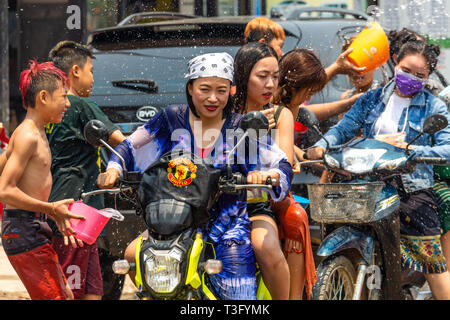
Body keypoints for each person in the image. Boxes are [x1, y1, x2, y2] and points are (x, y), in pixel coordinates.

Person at [97, 52, 293, 300]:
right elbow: (130, 146)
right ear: (190, 88)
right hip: (172, 225)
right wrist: (113, 169)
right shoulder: (169, 118)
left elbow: (280, 163)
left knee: (238, 294)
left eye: (221, 90)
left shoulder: (240, 126)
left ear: (231, 91)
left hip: (227, 227)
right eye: (205, 89)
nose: (213, 98)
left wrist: (266, 175)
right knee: (133, 256)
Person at [306, 40, 450, 300]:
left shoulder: (434, 107)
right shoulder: (372, 98)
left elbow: (447, 149)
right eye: (406, 70)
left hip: (411, 190)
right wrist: (321, 145)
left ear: (428, 76)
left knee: (432, 263)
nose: (412, 79)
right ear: (395, 62)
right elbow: (344, 128)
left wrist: (411, 151)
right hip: (367, 185)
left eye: (420, 75)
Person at [234, 42, 321, 299]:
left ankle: (293, 295)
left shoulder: (280, 114)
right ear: (242, 76)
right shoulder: (224, 109)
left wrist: (271, 173)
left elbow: (283, 163)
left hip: (267, 196)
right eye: (263, 77)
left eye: (275, 77)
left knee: (295, 217)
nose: (271, 85)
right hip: (224, 193)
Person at [46, 40, 126, 300]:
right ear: (76, 71)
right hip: (75, 211)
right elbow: (122, 143)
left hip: (68, 207)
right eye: (91, 71)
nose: (93, 79)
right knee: (74, 290)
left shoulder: (51, 111)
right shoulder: (80, 105)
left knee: (92, 290)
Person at [0, 60, 85, 300]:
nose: (68, 104)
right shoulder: (28, 135)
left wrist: (49, 214)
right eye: (64, 97)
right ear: (44, 97)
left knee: (66, 295)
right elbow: (4, 190)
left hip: (33, 227)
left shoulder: (34, 132)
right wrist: (51, 209)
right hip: (23, 229)